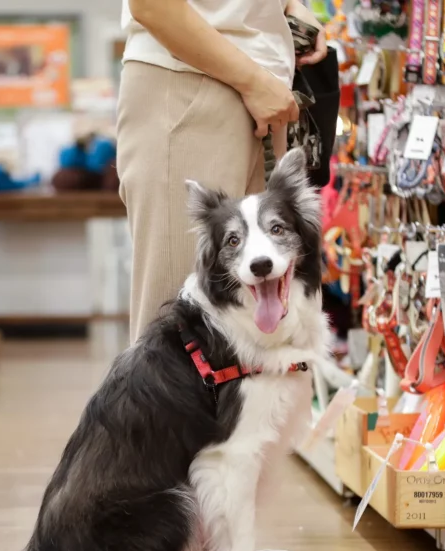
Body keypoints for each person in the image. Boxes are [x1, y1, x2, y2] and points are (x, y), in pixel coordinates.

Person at [116, 0, 329, 551]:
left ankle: (220, 549)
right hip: (191, 84)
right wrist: (254, 76)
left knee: (244, 352)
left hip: (250, 88)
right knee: (171, 346)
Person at [117, 0, 328, 342]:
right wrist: (253, 80)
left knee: (266, 346)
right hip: (191, 77)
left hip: (264, 89)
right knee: (177, 344)